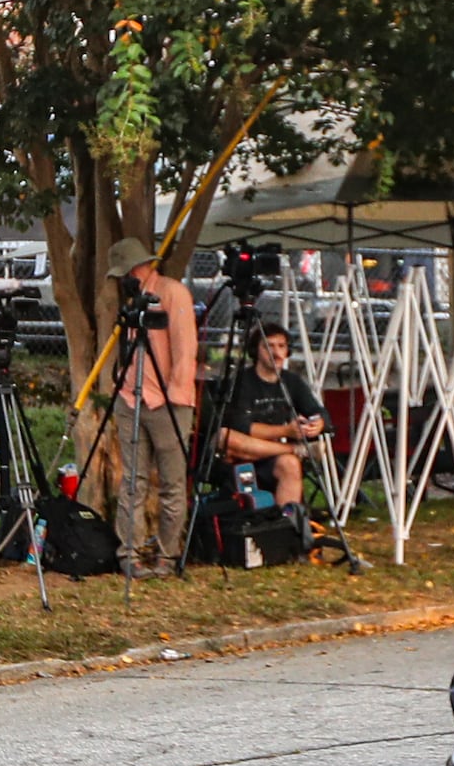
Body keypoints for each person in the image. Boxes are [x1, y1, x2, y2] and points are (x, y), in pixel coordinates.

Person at [107, 237, 201, 579]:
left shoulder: (172, 293)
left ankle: (167, 555)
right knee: (133, 481)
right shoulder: (133, 299)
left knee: (172, 482)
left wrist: (174, 397)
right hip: (131, 397)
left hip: (168, 402)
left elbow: (184, 350)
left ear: (136, 268)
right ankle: (128, 553)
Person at [214, 323, 325, 518]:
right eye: (269, 346)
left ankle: (287, 528)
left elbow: (317, 412)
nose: (277, 352)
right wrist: (286, 433)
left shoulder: (292, 381)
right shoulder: (241, 381)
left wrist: (318, 423)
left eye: (281, 346)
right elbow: (241, 426)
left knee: (290, 464)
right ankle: (298, 450)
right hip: (239, 455)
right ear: (256, 351)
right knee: (225, 437)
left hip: (266, 456)